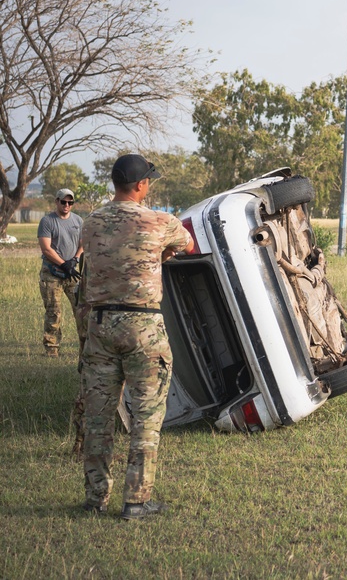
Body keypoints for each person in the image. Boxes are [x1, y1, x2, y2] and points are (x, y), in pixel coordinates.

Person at [79, 154, 193, 519]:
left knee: (97, 419)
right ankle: (136, 501)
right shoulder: (159, 221)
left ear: (115, 184)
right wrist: (163, 252)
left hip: (99, 327)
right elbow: (187, 245)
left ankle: (96, 499)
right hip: (143, 327)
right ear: (142, 186)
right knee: (146, 417)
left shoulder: (90, 222)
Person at [37, 188, 85, 359]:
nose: (67, 205)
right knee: (54, 311)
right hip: (52, 273)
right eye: (63, 202)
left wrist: (75, 259)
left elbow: (82, 242)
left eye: (70, 202)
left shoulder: (78, 220)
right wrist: (63, 264)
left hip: (72, 273)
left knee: (82, 310)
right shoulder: (47, 221)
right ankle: (52, 350)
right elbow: (46, 248)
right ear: (56, 201)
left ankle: (85, 348)